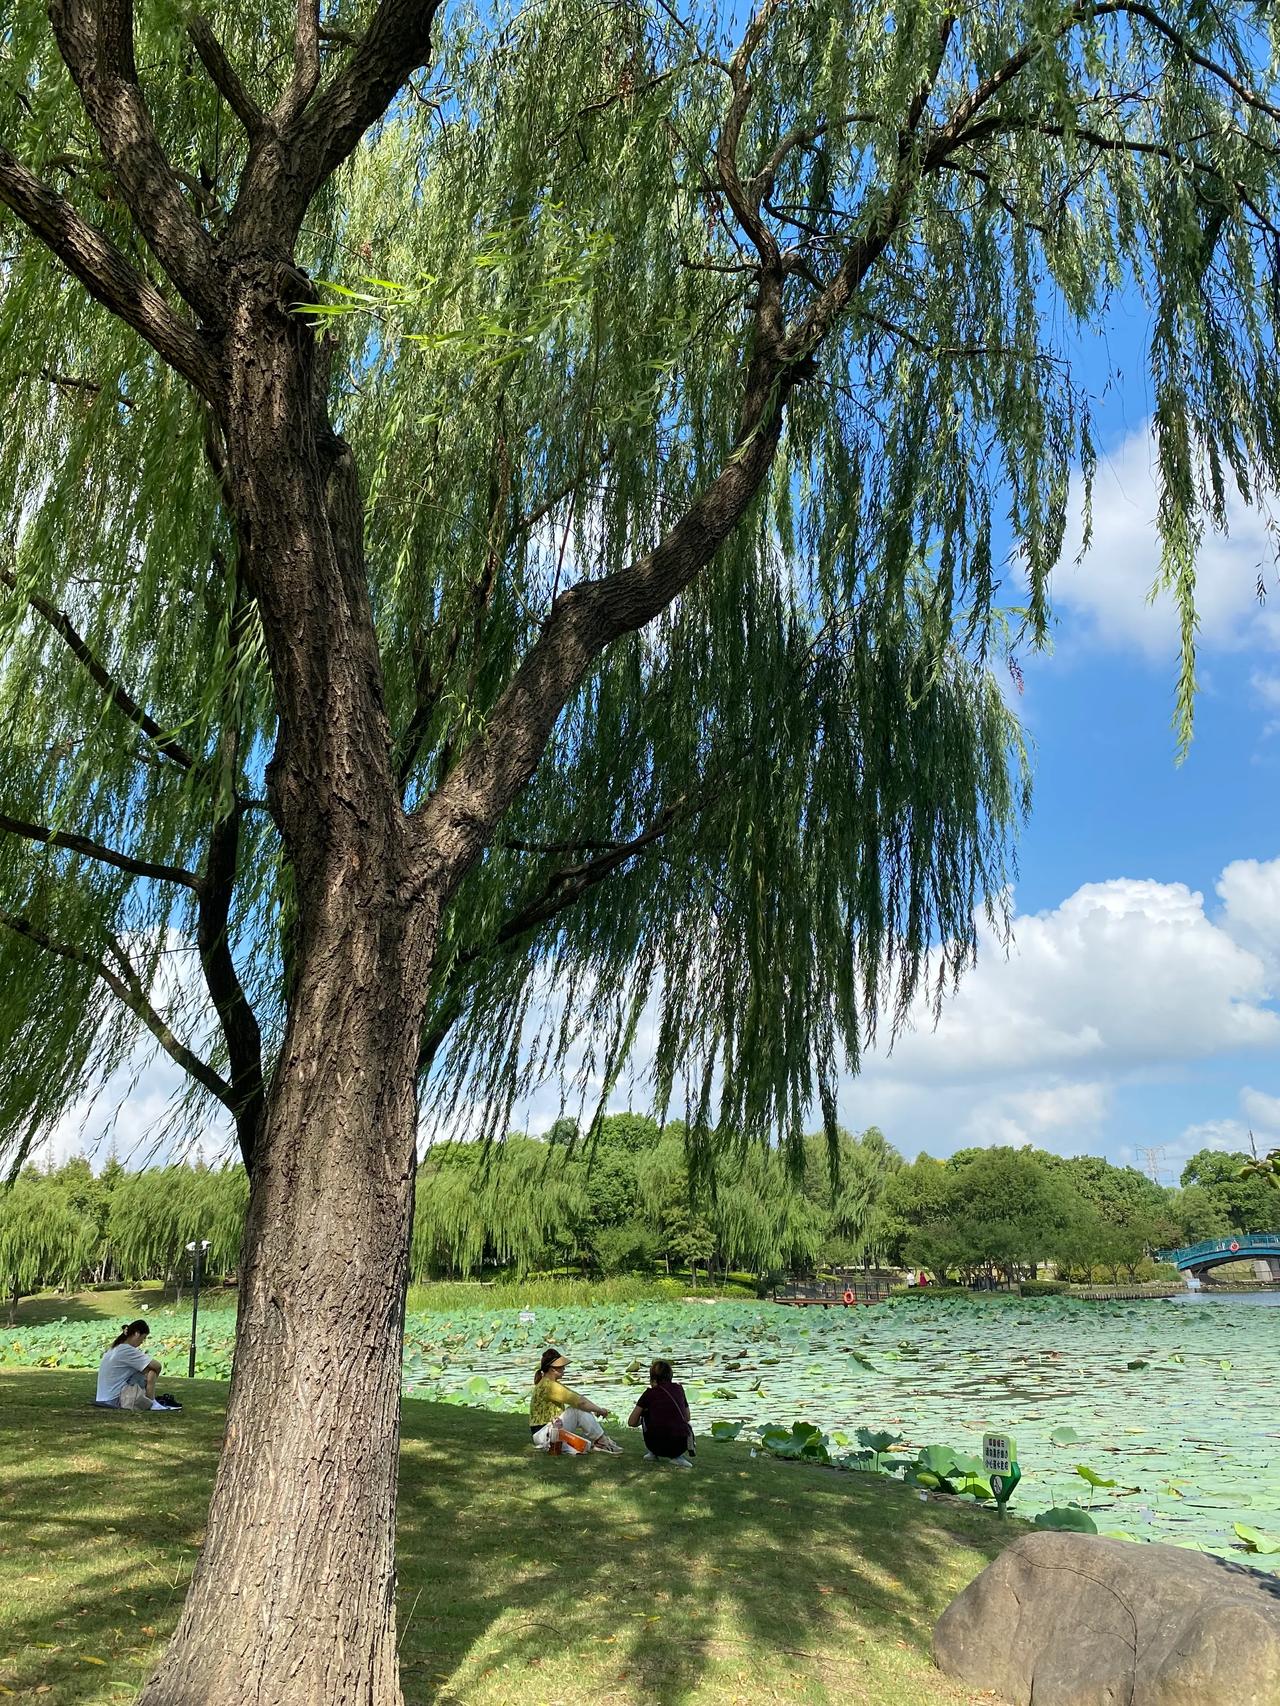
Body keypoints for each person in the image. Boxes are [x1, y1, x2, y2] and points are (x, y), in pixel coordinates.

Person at [529, 1346, 622, 1453]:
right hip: (545, 1433)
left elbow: (577, 1397)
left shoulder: (547, 1384)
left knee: (583, 1445)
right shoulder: (549, 1386)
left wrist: (594, 1409)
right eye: (561, 1367)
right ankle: (602, 1442)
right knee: (577, 1410)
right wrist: (600, 1410)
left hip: (545, 1432)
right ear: (552, 1369)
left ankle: (597, 1443)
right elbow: (580, 1402)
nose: (564, 1369)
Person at [95, 1321, 175, 1411]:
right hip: (114, 1399)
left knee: (145, 1370)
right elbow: (157, 1366)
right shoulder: (127, 1350)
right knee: (151, 1372)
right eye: (143, 1338)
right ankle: (152, 1402)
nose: (142, 1342)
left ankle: (150, 1399)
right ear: (137, 1334)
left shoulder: (115, 1348)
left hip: (102, 1399)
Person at [628, 1358, 694, 1467]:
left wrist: (645, 1416)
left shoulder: (649, 1394)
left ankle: (653, 1454)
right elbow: (687, 1417)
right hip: (680, 1446)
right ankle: (677, 1457)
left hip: (656, 1446)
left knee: (645, 1415)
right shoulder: (679, 1389)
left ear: (652, 1378)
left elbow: (631, 1422)